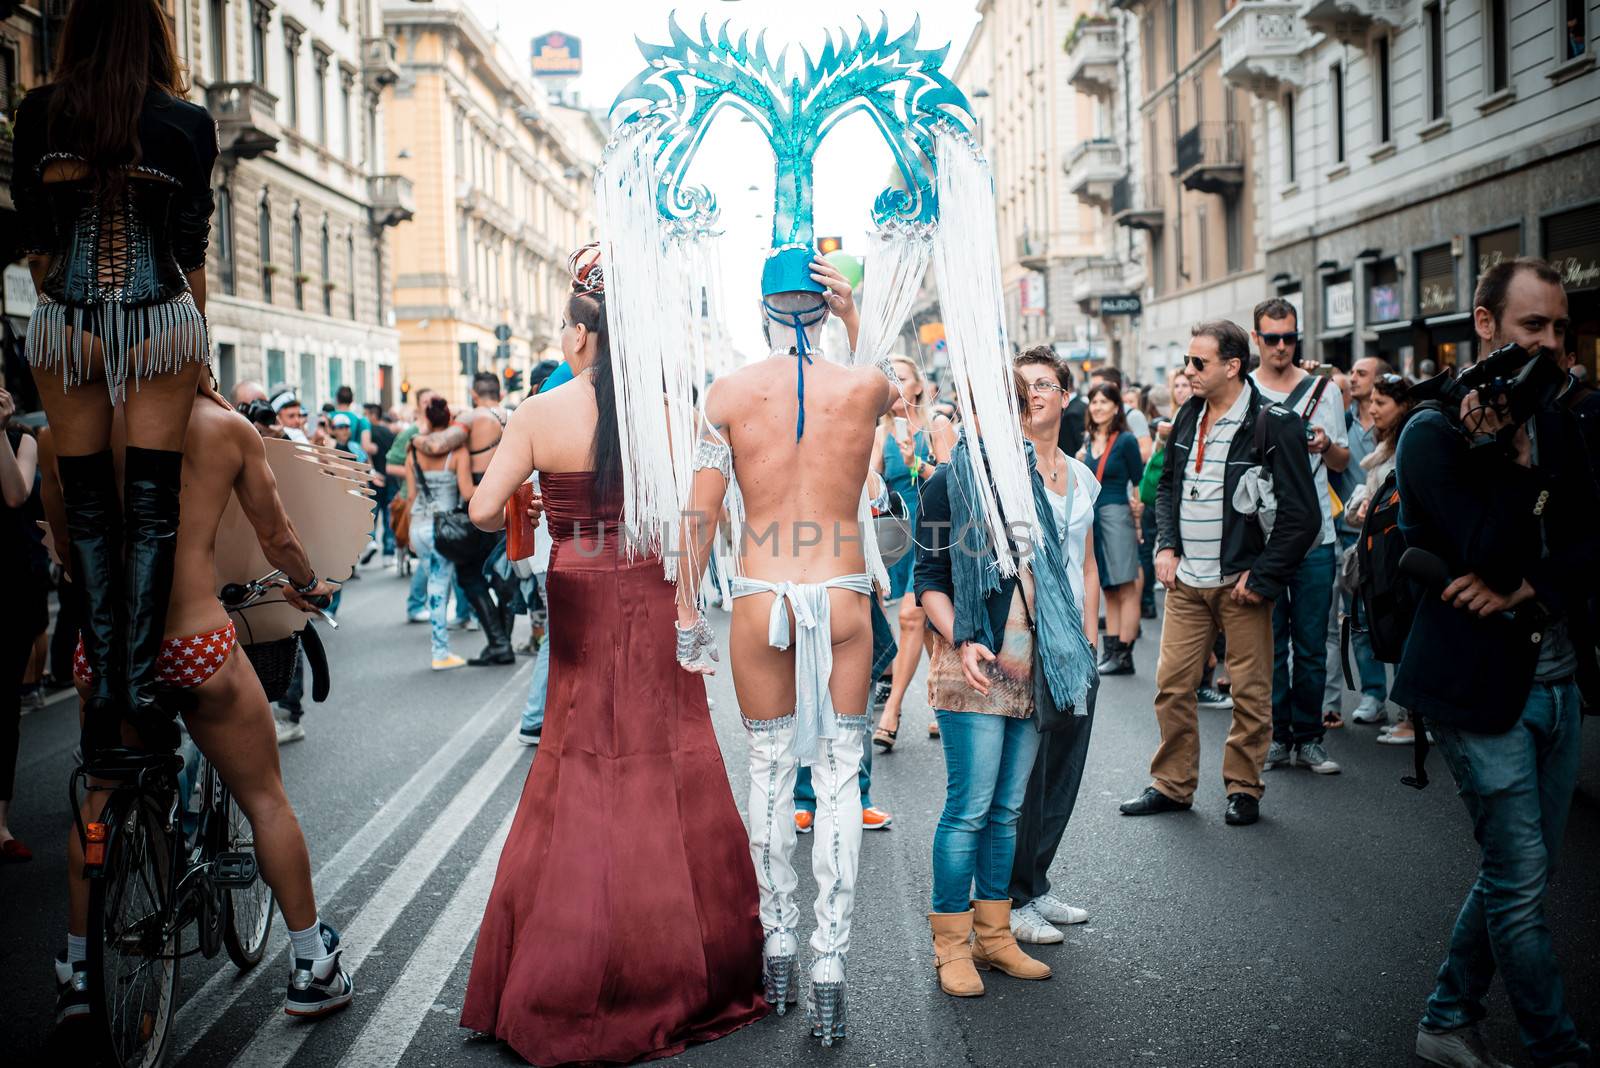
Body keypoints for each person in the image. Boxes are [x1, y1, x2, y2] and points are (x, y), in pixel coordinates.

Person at [458, 248, 767, 1065]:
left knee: (579, 757)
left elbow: (484, 512)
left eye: (566, 320)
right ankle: (683, 960)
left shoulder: (538, 411)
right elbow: (700, 521)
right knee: (669, 756)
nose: (562, 332)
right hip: (652, 582)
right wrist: (689, 597)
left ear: (583, 336)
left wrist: (525, 502)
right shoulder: (675, 412)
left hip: (578, 585)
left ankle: (567, 964)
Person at [37, 382, 352, 1023]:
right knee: (264, 797)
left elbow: (68, 548)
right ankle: (310, 964)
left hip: (106, 652)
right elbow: (276, 533)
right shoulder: (220, 425)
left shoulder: (59, 433)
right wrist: (305, 583)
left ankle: (76, 973)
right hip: (194, 641)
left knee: (97, 803)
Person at [674, 253, 892, 1041]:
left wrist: (684, 617)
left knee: (768, 772)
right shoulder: (862, 386)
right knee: (837, 777)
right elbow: (888, 383)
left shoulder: (728, 394)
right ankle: (831, 966)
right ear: (824, 307)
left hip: (761, 593)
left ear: (762, 306)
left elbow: (699, 517)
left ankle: (780, 949)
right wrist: (854, 317)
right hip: (842, 592)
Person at [1397, 258, 1597, 1068]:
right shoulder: (1433, 433)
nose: (1550, 345)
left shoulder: (1569, 417)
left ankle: (1446, 1017)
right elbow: (1483, 549)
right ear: (1485, 325)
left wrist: (1527, 592)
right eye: (1530, 328)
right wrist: (1507, 462)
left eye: (1560, 329)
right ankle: (1558, 1048)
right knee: (1518, 881)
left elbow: (1589, 543)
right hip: (1477, 692)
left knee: (1523, 873)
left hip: (1556, 681)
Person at [10, 0, 220, 766]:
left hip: (65, 321)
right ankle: (142, 689)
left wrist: (74, 302)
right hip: (160, 314)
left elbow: (36, 241)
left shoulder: (39, 112)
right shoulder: (187, 123)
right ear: (156, 33)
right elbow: (190, 248)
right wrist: (199, 361)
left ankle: (102, 702)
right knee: (152, 511)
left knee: (92, 508)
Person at [914, 367, 1098, 997]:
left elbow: (1057, 571)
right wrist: (964, 639)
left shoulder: (1033, 484)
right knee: (968, 809)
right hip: (975, 664)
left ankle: (995, 937)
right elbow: (928, 577)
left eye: (1010, 407)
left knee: (1006, 809)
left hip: (1034, 661)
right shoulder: (947, 483)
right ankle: (952, 946)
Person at [1120, 319, 1319, 827]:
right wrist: (1166, 544)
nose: (1188, 371)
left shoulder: (1275, 423)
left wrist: (1264, 575)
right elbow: (1165, 487)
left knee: (1250, 694)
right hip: (1187, 583)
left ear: (1232, 366)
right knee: (1171, 686)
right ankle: (1172, 783)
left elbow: (1303, 516)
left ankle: (1244, 787)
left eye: (1198, 362)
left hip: (1241, 584)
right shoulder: (1189, 415)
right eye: (1188, 360)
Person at [1006, 351, 1102, 946]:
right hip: (1022, 639)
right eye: (1023, 387)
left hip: (1072, 647)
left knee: (1064, 769)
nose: (1035, 394)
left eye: (1045, 384)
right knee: (1025, 775)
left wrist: (1089, 642)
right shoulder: (1004, 473)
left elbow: (1089, 566)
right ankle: (1012, 900)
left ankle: (1036, 885)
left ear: (1065, 395)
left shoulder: (1082, 475)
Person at [1248, 297, 1349, 775]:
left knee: (1310, 643)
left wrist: (1327, 445)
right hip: (1262, 536)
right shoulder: (1243, 391)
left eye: (1290, 337)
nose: (1283, 347)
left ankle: (1309, 738)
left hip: (1315, 537)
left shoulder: (1324, 391)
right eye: (1273, 338)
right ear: (1257, 340)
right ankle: (1275, 736)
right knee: (1270, 644)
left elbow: (1343, 463)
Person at [872, 354, 955, 752]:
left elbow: (951, 480)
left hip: (935, 532)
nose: (894, 386)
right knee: (921, 625)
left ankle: (892, 710)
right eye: (887, 379)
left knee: (909, 617)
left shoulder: (938, 424)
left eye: (901, 378)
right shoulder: (880, 433)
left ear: (918, 385)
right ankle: (941, 705)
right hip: (898, 534)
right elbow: (871, 486)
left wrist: (915, 462)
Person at [413, 373, 514, 666]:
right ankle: (502, 641)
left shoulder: (471, 419)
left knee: (469, 574)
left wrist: (415, 437)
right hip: (512, 495)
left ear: (473, 393)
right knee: (503, 571)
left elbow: (435, 446)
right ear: (500, 391)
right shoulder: (515, 415)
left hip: (483, 497)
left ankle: (499, 643)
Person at [1343, 373, 1416, 745]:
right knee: (1385, 629)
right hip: (1382, 552)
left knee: (1404, 633)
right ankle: (1402, 712)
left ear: (1403, 407)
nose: (1372, 409)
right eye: (1372, 401)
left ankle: (1413, 719)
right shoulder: (1385, 444)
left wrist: (1375, 509)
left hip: (1398, 556)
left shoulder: (1409, 443)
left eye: (1381, 403)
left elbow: (1405, 501)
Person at [1335, 356, 1393, 725]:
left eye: (1361, 373)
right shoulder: (1340, 423)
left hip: (1388, 539)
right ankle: (1373, 695)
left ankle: (1410, 706)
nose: (1353, 379)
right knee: (1357, 619)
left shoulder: (1398, 427)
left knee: (1394, 618)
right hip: (1348, 535)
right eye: (1352, 374)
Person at [1, 389, 43, 863]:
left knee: (4, 705)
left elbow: (15, 494)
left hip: (9, 585)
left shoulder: (22, 439)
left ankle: (1, 824)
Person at [1080, 382, 1144, 676]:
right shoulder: (1087, 440)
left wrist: (1138, 517)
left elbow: (1138, 482)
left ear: (1117, 407)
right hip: (1094, 517)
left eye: (1105, 402)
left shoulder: (1126, 440)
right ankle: (1112, 650)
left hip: (1118, 513)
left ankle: (1124, 652)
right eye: (1094, 402)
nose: (1098, 407)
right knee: (1108, 586)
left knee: (1126, 584)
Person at [406, 397, 474, 671]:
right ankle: (440, 651)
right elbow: (468, 493)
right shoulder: (457, 453)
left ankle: (441, 646)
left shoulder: (414, 453)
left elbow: (411, 495)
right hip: (442, 529)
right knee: (438, 587)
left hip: (417, 525)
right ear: (449, 421)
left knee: (436, 584)